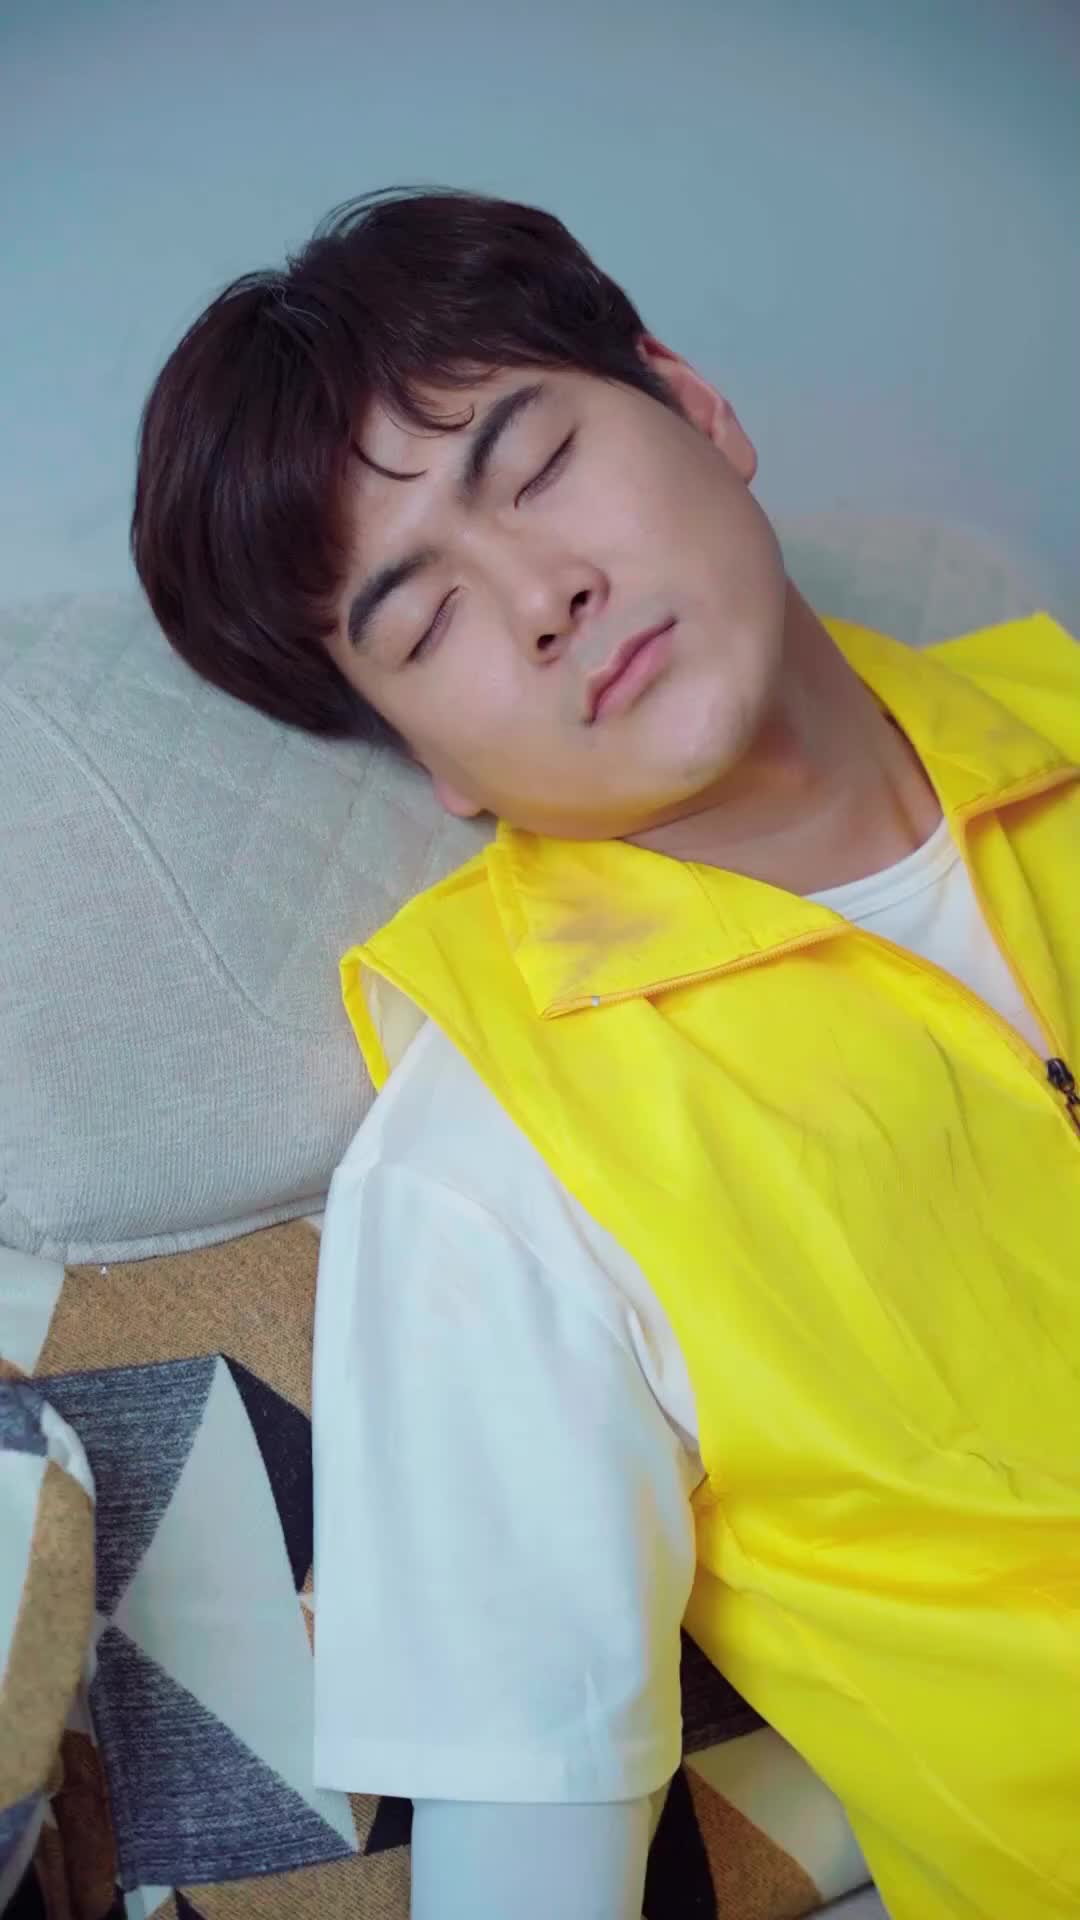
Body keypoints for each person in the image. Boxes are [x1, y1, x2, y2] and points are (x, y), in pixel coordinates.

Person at [131, 186, 1080, 1920]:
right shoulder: (485, 1172)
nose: (544, 596)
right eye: (424, 624)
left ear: (696, 405)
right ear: (432, 763)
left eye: (540, 464)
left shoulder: (1057, 706)